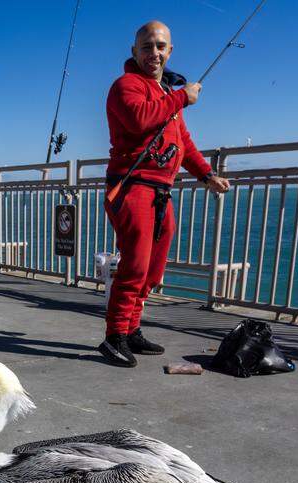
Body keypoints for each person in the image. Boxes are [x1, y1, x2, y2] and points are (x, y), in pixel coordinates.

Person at [98, 20, 231, 368]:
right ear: (134, 52)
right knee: (135, 264)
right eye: (147, 46)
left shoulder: (166, 97)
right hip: (132, 187)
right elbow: (140, 119)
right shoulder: (126, 86)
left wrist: (207, 174)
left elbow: (183, 143)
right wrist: (181, 98)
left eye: (160, 46)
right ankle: (114, 337)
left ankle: (132, 329)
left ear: (170, 51)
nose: (154, 53)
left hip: (160, 191)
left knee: (154, 269)